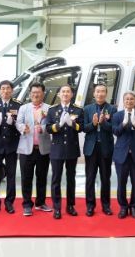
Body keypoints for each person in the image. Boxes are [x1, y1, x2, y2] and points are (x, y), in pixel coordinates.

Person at [45, 84, 83, 219]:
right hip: (57, 148)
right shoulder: (52, 110)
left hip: (72, 148)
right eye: (63, 92)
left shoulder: (78, 110)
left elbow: (81, 128)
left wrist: (73, 124)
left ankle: (70, 206)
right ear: (59, 94)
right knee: (56, 179)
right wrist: (59, 125)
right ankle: (57, 207)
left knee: (71, 179)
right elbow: (48, 128)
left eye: (68, 92)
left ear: (72, 94)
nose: (65, 94)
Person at [15, 83, 52, 217]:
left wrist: (43, 128)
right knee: (26, 178)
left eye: (38, 92)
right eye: (33, 92)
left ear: (43, 93)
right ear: (30, 94)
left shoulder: (49, 108)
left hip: (43, 148)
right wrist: (22, 128)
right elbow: (18, 122)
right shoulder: (23, 108)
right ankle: (27, 204)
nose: (35, 95)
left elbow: (51, 125)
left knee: (42, 177)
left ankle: (40, 202)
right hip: (26, 149)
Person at [0, 80, 22, 215]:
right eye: (3, 88)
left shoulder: (18, 105)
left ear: (12, 90)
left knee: (11, 176)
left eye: (8, 88)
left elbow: (20, 125)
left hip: (12, 145)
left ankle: (9, 202)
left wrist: (12, 123)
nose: (5, 91)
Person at [82, 83, 117, 216]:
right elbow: (84, 128)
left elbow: (113, 128)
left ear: (106, 94)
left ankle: (106, 205)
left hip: (105, 148)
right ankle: (90, 206)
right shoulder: (87, 109)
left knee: (105, 178)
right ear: (94, 93)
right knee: (90, 178)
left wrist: (103, 123)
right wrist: (93, 124)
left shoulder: (112, 109)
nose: (100, 94)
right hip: (91, 148)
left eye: (103, 91)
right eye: (98, 91)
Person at [112, 91, 135, 219]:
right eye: (127, 99)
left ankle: (134, 207)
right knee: (121, 182)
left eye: (132, 99)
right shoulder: (117, 115)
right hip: (121, 154)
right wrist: (124, 123)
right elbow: (115, 132)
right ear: (123, 101)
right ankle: (123, 207)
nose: (129, 101)